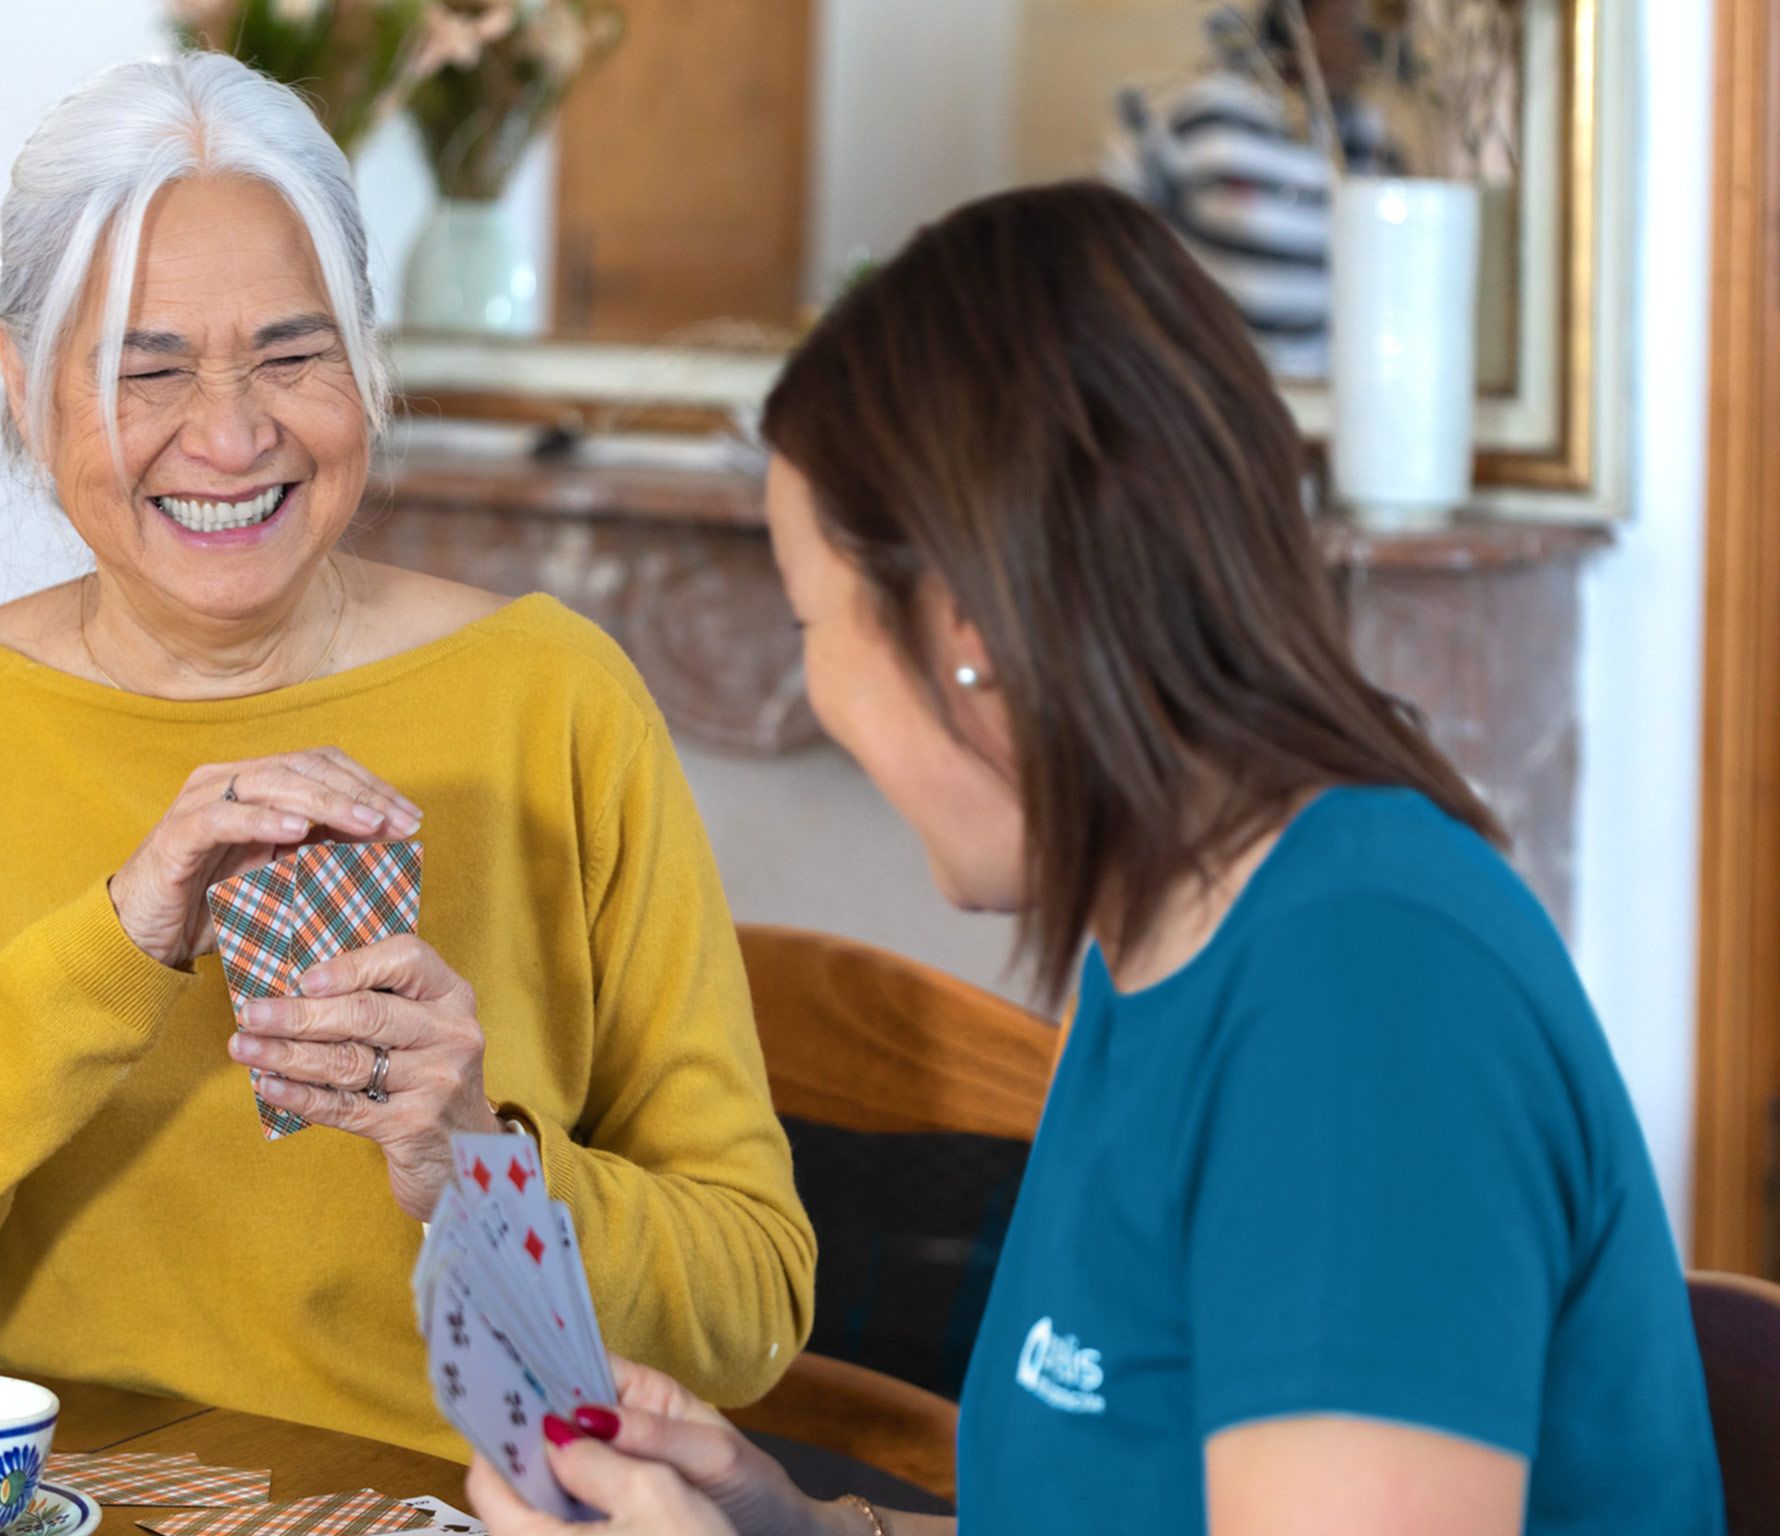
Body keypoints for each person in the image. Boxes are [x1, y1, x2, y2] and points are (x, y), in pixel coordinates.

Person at [468, 183, 1723, 1535]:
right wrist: (797, 1525)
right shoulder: (1178, 948)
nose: (817, 686)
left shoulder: (1364, 1000)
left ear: (967, 633)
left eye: (807, 623)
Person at [0, 52, 813, 1458]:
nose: (230, 433)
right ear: (28, 385)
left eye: (292, 352)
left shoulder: (552, 698)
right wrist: (109, 948)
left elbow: (752, 1314)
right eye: (144, 369)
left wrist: (484, 1169)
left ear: (367, 357)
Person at [1104, 0, 1399, 376]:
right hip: (1209, 385)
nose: (1359, 47)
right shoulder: (1211, 112)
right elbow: (1107, 233)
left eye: (1370, 32)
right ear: (1295, 24)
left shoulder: (1370, 139)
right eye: (1344, 27)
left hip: (1325, 397)